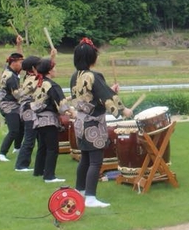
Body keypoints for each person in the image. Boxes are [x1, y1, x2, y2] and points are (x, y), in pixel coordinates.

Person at [68, 37, 133, 208]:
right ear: (92, 58)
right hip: (93, 125)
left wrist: (109, 88)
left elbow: (93, 95)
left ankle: (80, 190)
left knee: (85, 159)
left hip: (80, 122)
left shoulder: (75, 76)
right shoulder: (94, 76)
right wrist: (124, 110)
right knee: (95, 161)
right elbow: (107, 98)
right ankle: (90, 197)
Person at [31, 57, 67, 183]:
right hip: (48, 120)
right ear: (50, 71)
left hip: (38, 120)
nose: (56, 70)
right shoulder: (51, 85)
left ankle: (39, 171)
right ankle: (49, 176)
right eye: (54, 68)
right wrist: (71, 112)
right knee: (52, 148)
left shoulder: (39, 83)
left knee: (43, 146)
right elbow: (61, 105)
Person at [0, 35, 24, 162]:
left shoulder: (8, 70)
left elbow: (19, 57)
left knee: (21, 126)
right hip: (8, 106)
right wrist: (30, 92)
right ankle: (1, 154)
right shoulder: (11, 77)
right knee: (13, 131)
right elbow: (17, 95)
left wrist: (19, 45)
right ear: (14, 63)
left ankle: (17, 148)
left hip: (12, 105)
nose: (22, 65)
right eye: (20, 63)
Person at [13, 55, 42, 172]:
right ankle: (21, 165)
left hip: (28, 110)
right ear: (34, 68)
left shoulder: (31, 77)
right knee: (30, 138)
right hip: (29, 110)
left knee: (33, 137)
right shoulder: (32, 80)